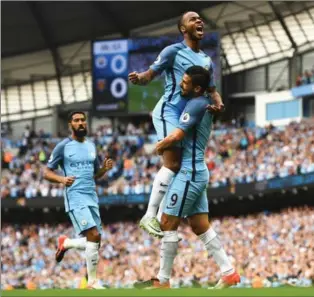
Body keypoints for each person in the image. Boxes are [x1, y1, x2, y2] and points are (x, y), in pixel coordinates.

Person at [134, 66, 240, 289]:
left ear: (197, 87)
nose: (182, 84)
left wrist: (159, 145)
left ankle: (162, 280)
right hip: (196, 170)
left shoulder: (196, 104)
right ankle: (228, 272)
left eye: (185, 82)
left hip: (189, 173)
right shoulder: (202, 101)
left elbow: (179, 133)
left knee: (167, 222)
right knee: (200, 224)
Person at [129, 11, 224, 237]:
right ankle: (150, 216)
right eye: (193, 19)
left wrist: (218, 104)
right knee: (172, 163)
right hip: (168, 111)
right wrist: (139, 78)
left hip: (184, 116)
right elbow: (150, 74)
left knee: (180, 166)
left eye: (200, 18)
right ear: (183, 29)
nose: (199, 21)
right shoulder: (173, 51)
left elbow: (212, 90)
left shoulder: (206, 61)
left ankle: (162, 213)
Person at [43, 111, 113, 289]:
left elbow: (95, 173)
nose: (81, 123)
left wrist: (104, 169)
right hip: (75, 196)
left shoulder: (91, 146)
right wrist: (62, 180)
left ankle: (66, 243)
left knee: (96, 241)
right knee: (94, 236)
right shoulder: (63, 146)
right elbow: (46, 172)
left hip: (92, 196)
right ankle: (92, 282)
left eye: (83, 120)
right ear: (70, 125)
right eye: (76, 120)